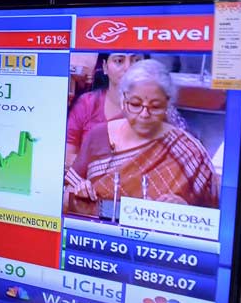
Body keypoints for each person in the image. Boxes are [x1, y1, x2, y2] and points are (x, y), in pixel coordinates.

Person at [65, 60, 218, 218]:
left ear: (167, 104)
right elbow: (65, 198)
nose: (144, 114)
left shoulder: (188, 152)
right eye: (136, 104)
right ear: (123, 101)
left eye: (155, 106)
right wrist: (79, 191)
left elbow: (213, 216)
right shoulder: (98, 136)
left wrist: (184, 210)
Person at [66, 53, 142, 166]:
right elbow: (67, 155)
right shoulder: (87, 103)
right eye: (119, 61)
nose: (128, 68)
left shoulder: (152, 108)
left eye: (136, 60)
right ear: (105, 67)